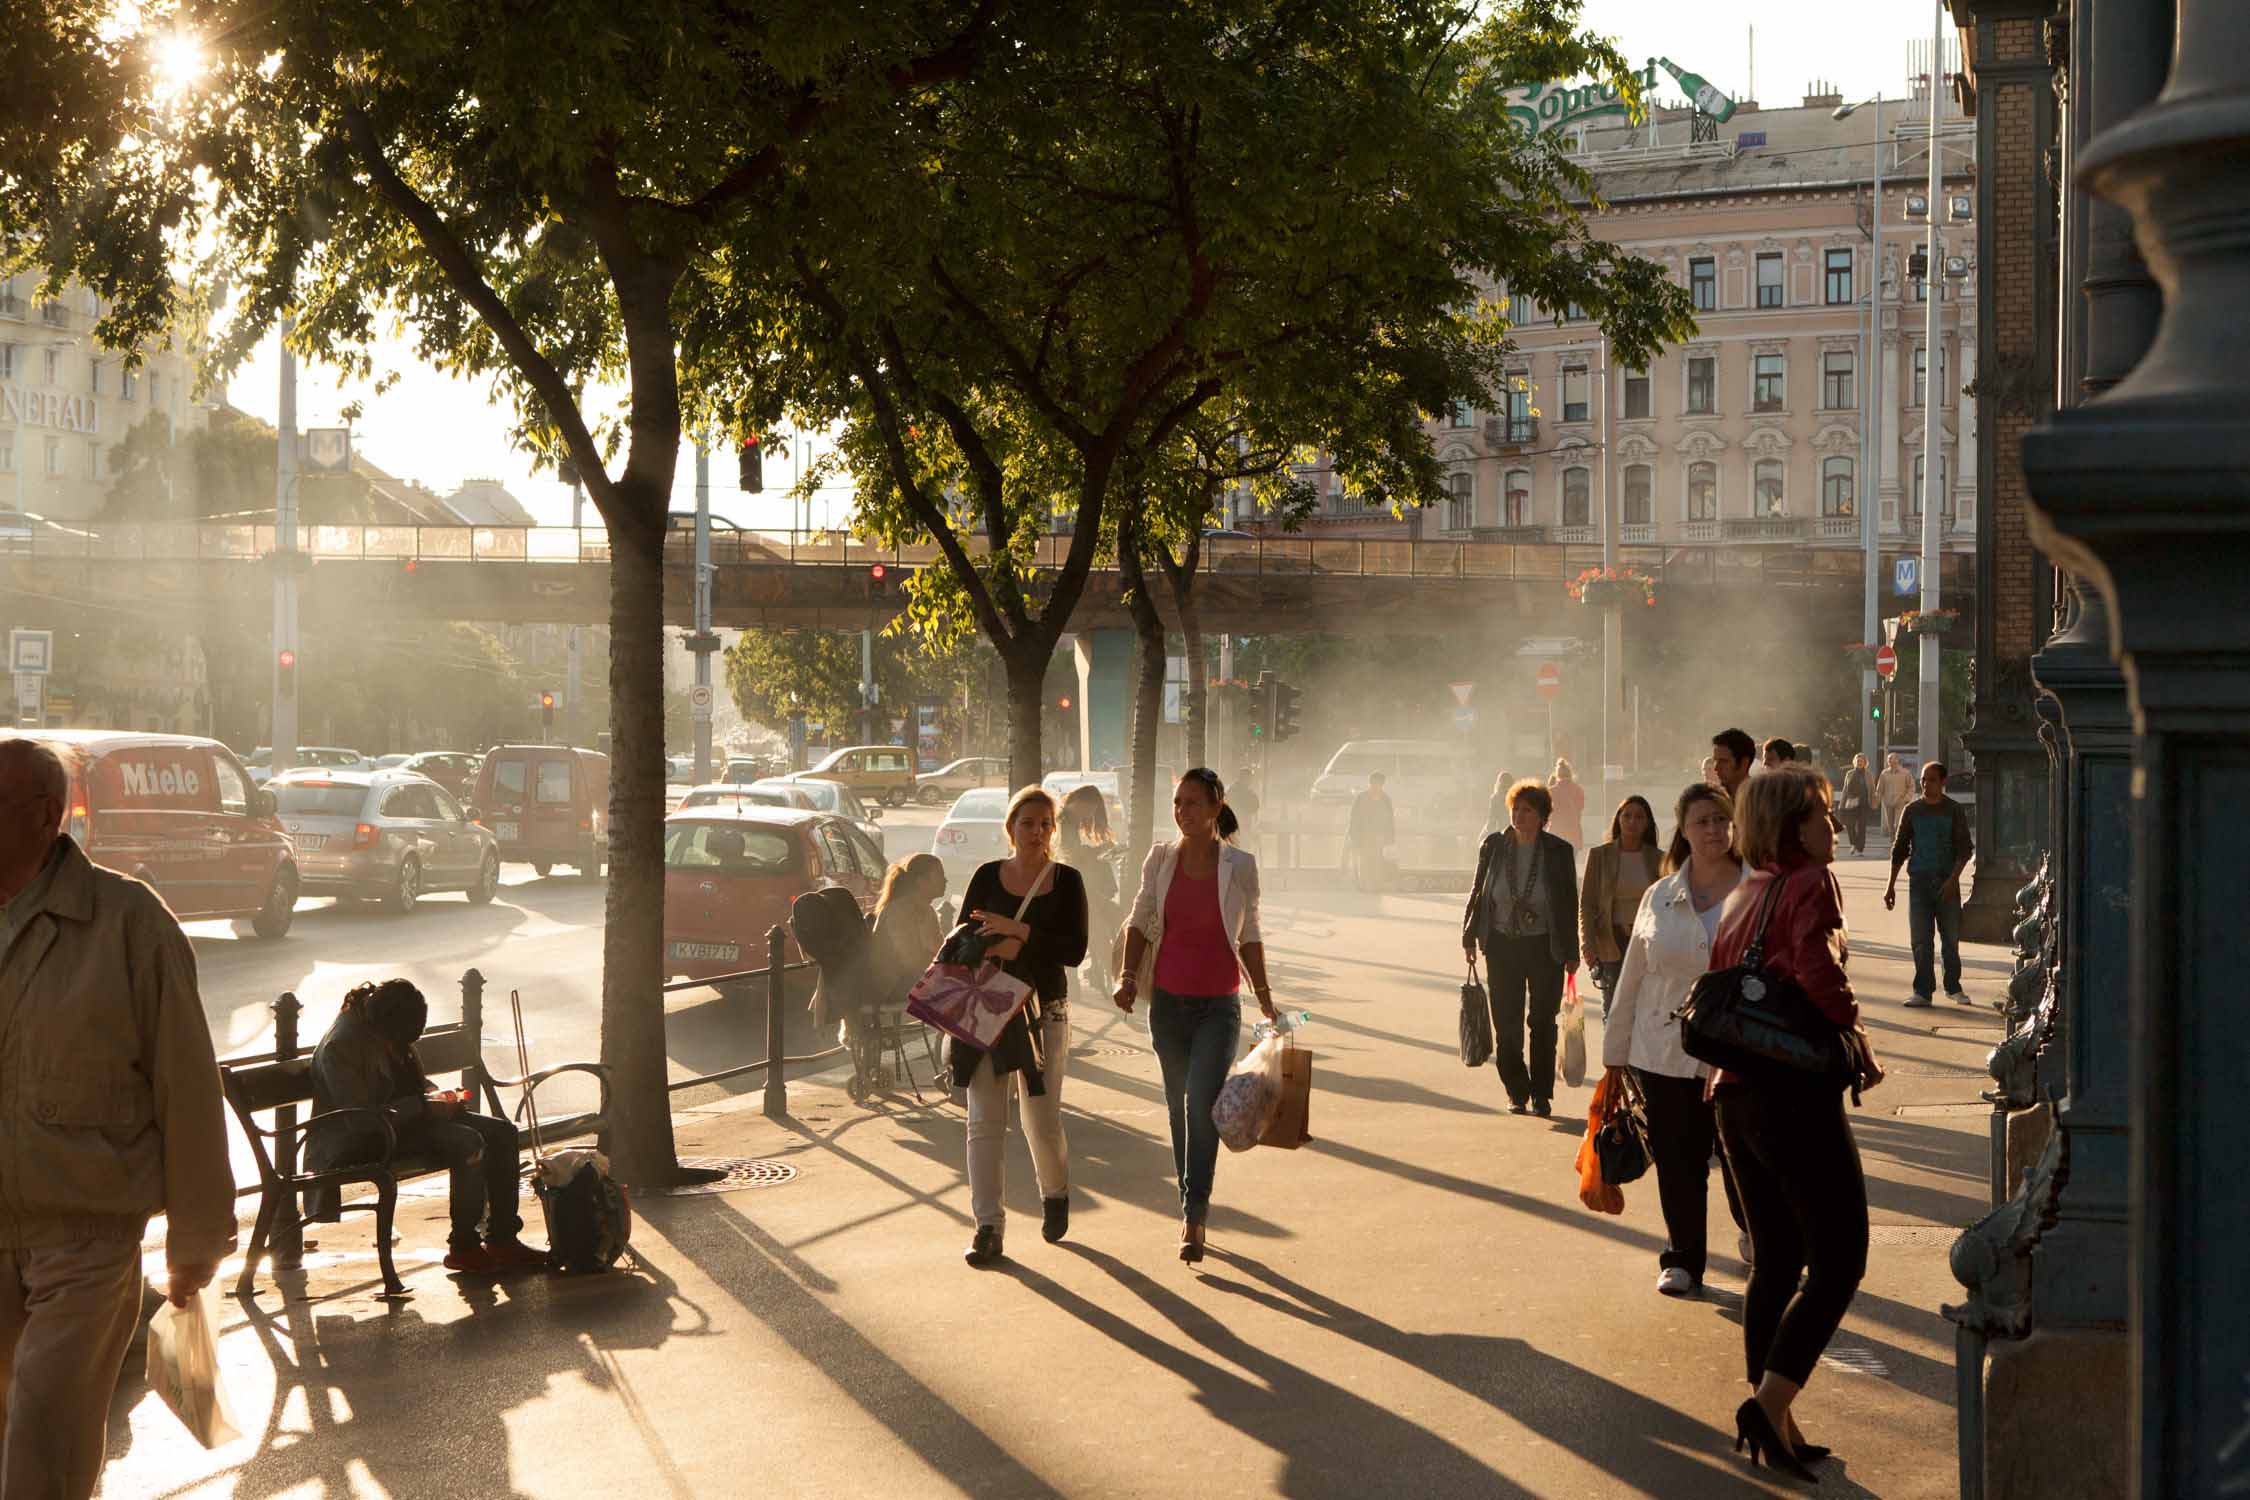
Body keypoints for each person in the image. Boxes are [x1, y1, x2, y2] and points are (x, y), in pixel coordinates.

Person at [0, 738, 234, 1499]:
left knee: (45, 1442)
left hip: (86, 1239)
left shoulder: (128, 922)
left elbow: (188, 1087)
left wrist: (196, 1241)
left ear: (45, 814)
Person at [1710, 765, 1877, 1481]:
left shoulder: (1745, 892)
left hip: (1735, 1094)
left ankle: (1775, 1416)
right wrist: (1856, 1036)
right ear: (1792, 825)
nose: (1833, 829)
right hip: (1793, 1095)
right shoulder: (1809, 884)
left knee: (1776, 1260)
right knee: (1840, 1259)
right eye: (1822, 817)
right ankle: (1766, 1405)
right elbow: (1818, 973)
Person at [1115, 769, 1277, 1264]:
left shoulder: (1240, 865)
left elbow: (1249, 932)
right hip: (1167, 1005)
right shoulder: (1161, 859)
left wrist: (1264, 995)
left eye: (1192, 804)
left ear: (1215, 807)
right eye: (1177, 803)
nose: (1183, 812)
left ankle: (1195, 1212)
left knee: (1201, 1103)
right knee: (1177, 1106)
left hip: (1219, 1006)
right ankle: (1193, 1201)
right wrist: (1125, 976)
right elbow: (1140, 918)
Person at [1604, 783, 1748, 1297]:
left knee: (1741, 1156)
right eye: (1700, 821)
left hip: (1738, 1051)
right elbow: (1633, 976)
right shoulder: (1659, 896)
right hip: (1662, 1049)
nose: (1712, 829)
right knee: (1678, 1160)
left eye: (1720, 820)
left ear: (1733, 827)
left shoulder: (1757, 891)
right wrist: (1615, 1054)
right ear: (1684, 831)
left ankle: (1756, 1231)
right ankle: (1683, 1258)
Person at [309, 978, 548, 1273]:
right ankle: (464, 1245)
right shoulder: (342, 1045)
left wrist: (442, 1099)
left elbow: (413, 1084)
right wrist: (424, 1106)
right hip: (365, 1138)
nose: (405, 1049)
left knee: (502, 1133)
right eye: (401, 1043)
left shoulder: (390, 1028)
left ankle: (503, 1238)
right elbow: (360, 1119)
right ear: (384, 1029)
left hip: (408, 1122)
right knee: (467, 1141)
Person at [955, 787, 1088, 1266]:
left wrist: (1018, 935)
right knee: (984, 1122)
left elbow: (1074, 950)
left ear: (1054, 830)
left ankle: (1055, 1193)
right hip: (987, 1007)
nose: (1036, 832)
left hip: (1044, 1011)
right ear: (1010, 827)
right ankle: (988, 1227)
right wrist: (993, 947)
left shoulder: (1066, 881)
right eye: (1027, 823)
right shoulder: (987, 876)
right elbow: (962, 936)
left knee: (1041, 1117)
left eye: (1045, 824)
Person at [1461, 779, 1579, 1116]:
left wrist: (1572, 952)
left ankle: (1542, 1093)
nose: (1519, 815)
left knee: (1543, 1021)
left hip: (1545, 947)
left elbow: (1568, 903)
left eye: (1527, 810)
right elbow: (1478, 891)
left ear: (1542, 816)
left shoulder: (1558, 851)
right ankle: (1516, 1089)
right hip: (1501, 946)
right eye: (1516, 808)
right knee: (1507, 1024)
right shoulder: (1494, 846)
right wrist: (1469, 934)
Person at [1884, 761, 1976, 1007]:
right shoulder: (1912, 810)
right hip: (1920, 882)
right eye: (1923, 779)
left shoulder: (1953, 811)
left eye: (1932, 779)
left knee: (1950, 939)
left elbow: (1964, 850)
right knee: (1921, 940)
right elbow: (1900, 849)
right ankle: (1923, 990)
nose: (1926, 784)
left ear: (1943, 782)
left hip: (1947, 883)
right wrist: (1890, 885)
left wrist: (1952, 880)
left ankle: (1953, 987)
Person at [1579, 795, 1662, 1021]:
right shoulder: (1599, 856)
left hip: (1646, 942)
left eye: (1639, 817)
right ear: (1618, 820)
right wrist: (1587, 941)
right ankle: (1613, 1056)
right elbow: (1587, 902)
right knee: (1613, 1009)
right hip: (1610, 941)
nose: (1632, 822)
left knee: (1643, 1010)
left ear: (1647, 823)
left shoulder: (1658, 859)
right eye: (1627, 816)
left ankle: (1637, 1056)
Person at [1058, 784, 1119, 992]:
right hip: (1071, 888)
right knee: (1098, 927)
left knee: (1095, 927)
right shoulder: (1064, 821)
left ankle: (1081, 979)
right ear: (1080, 802)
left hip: (1075, 885)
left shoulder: (1068, 821)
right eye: (1088, 810)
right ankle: (1112, 976)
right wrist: (1100, 850)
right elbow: (1071, 854)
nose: (1088, 816)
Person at [1347, 771, 1396, 891]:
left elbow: (1390, 820)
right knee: (1364, 862)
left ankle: (1376, 886)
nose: (1375, 786)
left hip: (1379, 837)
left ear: (1382, 784)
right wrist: (1354, 837)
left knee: (1378, 863)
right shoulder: (1361, 798)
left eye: (1378, 783)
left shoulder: (1386, 799)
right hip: (1363, 836)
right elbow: (1353, 818)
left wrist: (1390, 839)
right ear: (1370, 783)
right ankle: (1364, 886)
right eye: (1373, 783)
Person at [1837, 754, 1874, 856]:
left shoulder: (1869, 775)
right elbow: (1845, 790)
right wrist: (1842, 804)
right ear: (1855, 762)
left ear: (1865, 763)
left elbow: (1872, 790)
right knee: (1850, 825)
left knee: (1862, 826)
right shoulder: (1849, 773)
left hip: (1864, 804)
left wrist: (1874, 801)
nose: (1859, 763)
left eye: (1861, 761)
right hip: (1851, 803)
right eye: (1858, 761)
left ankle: (1860, 849)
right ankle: (1853, 843)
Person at [1548, 759, 1587, 850]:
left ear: (1556, 774)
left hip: (1556, 833)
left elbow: (1548, 813)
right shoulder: (1578, 790)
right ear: (1570, 773)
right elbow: (1580, 808)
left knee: (1555, 863)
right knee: (1571, 862)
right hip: (1574, 833)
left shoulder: (1551, 791)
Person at [1874, 752, 1915, 838]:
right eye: (1888, 760)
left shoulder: (1905, 773)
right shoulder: (1884, 773)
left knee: (1898, 824)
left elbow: (1911, 787)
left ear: (1897, 760)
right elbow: (1879, 789)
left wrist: (1906, 799)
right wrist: (1877, 801)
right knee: (1890, 826)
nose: (1889, 761)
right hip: (1888, 803)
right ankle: (1892, 841)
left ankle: (1898, 841)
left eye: (1891, 759)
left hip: (1900, 802)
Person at [1711, 728, 1757, 801]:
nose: (1716, 768)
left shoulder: (1760, 800)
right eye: (1715, 760)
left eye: (1723, 761)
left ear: (1744, 763)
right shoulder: (1714, 801)